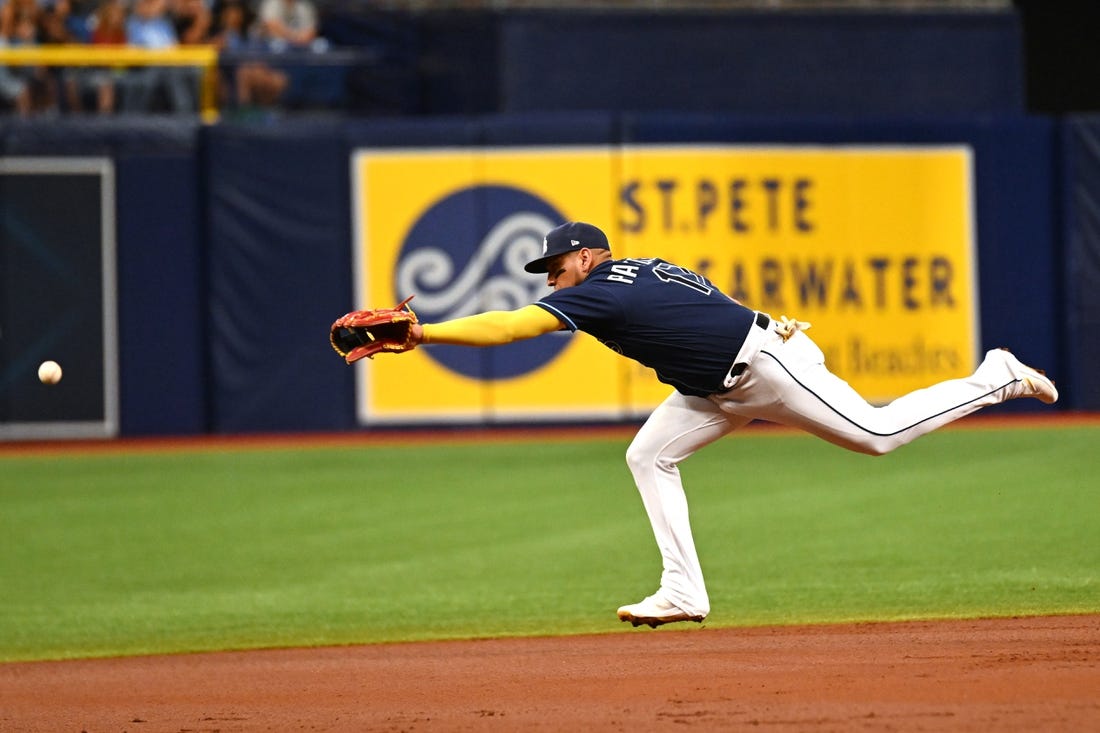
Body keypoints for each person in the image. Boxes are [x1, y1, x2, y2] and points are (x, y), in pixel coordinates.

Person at [400, 221, 1059, 629]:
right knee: (647, 455)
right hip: (721, 381)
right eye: (548, 271)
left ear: (588, 256)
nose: (552, 277)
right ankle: (682, 589)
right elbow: (704, 302)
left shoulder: (600, 286)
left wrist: (425, 332)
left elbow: (514, 326)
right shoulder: (644, 267)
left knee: (876, 435)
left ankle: (995, 375)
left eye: (556, 265)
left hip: (763, 367)